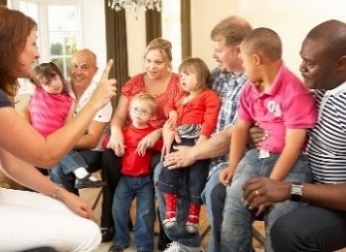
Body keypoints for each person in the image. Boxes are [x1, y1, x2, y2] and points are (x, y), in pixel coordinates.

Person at [0, 7, 116, 251]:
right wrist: (96, 100)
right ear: (10, 46)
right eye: (32, 43)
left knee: (67, 209)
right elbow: (46, 155)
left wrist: (62, 194)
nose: (38, 52)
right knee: (88, 233)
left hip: (86, 154)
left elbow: (10, 162)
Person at [242, 19, 346, 252]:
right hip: (310, 185)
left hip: (338, 206)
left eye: (310, 63)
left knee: (288, 231)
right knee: (224, 193)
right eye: (301, 59)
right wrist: (256, 132)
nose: (301, 68)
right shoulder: (315, 90)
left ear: (341, 63)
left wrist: (292, 189)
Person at [219, 27, 316, 252]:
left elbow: (293, 146)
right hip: (256, 158)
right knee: (233, 212)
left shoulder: (295, 91)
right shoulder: (249, 90)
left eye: (243, 60)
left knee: (280, 222)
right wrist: (233, 165)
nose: (242, 66)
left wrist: (270, 187)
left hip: (293, 164)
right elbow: (241, 129)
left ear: (256, 59)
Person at [159, 16, 252, 252]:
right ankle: (187, 244)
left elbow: (233, 134)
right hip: (198, 148)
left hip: (230, 158)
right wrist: (167, 129)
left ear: (239, 49)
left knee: (215, 190)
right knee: (162, 170)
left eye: (218, 49)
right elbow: (184, 101)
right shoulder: (216, 75)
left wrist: (193, 154)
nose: (213, 54)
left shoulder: (253, 82)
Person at [101, 38, 180, 247]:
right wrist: (116, 131)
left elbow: (181, 119)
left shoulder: (178, 84)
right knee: (108, 157)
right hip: (132, 137)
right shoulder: (135, 82)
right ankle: (117, 217)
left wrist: (157, 133)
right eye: (148, 61)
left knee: (160, 164)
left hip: (163, 140)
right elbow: (118, 117)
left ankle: (166, 228)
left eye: (158, 62)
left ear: (169, 63)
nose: (152, 66)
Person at [157, 57, 220, 234]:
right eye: (181, 75)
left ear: (200, 77)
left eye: (187, 74)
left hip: (196, 141)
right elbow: (167, 105)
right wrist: (172, 114)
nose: (181, 78)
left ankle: (194, 214)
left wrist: (202, 140)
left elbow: (210, 118)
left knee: (196, 177)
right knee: (169, 167)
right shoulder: (181, 96)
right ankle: (170, 209)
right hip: (179, 138)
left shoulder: (208, 96)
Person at [21, 62, 106, 189]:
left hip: (55, 141)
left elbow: (69, 126)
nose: (54, 84)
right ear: (40, 86)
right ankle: (81, 176)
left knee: (63, 152)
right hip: (37, 141)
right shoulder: (39, 93)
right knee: (27, 167)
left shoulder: (68, 100)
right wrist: (28, 135)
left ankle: (80, 178)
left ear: (60, 76)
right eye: (47, 83)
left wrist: (59, 140)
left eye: (55, 78)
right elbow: (25, 111)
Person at [103, 93, 162, 252]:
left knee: (145, 213)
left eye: (144, 111)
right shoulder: (124, 132)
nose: (138, 114)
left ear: (152, 115)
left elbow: (162, 148)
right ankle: (121, 240)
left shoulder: (152, 134)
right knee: (118, 209)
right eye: (135, 109)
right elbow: (106, 143)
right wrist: (114, 145)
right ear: (129, 110)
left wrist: (158, 135)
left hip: (145, 181)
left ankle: (144, 245)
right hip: (126, 179)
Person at [49, 49, 113, 193]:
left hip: (93, 151)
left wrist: (58, 140)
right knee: (29, 161)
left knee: (58, 169)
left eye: (84, 67)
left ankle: (74, 213)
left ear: (95, 70)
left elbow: (92, 140)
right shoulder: (59, 88)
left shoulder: (101, 95)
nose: (78, 72)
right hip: (63, 149)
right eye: (74, 66)